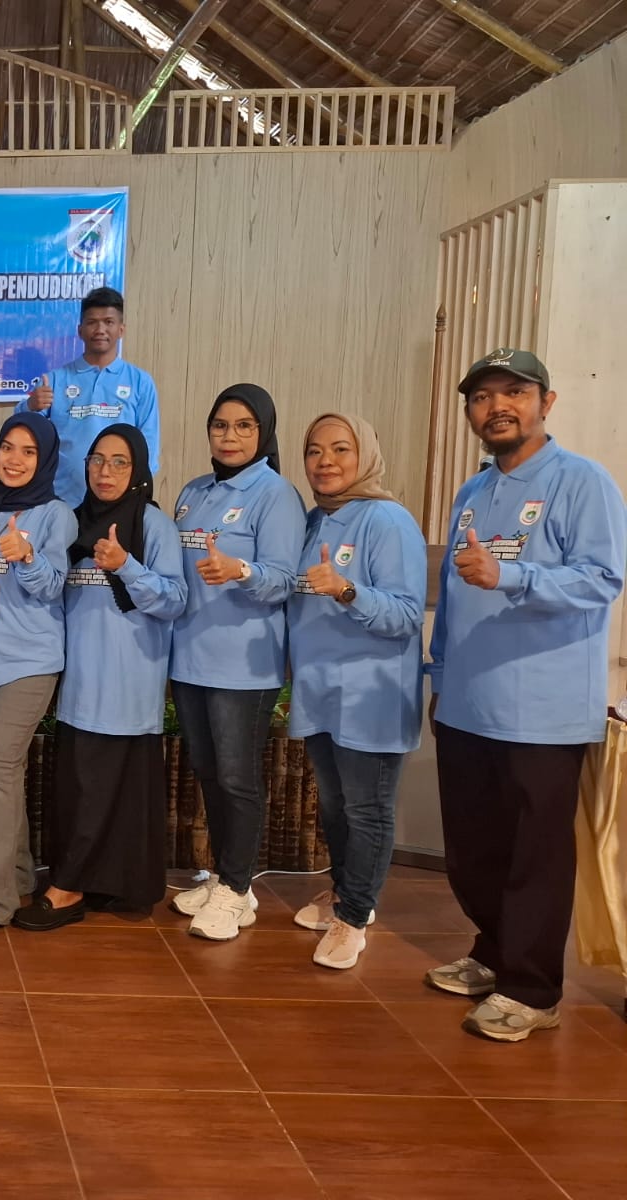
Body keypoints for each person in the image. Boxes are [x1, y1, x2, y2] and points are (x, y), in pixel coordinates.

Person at [426, 349, 625, 1041]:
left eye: (514, 392)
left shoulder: (582, 482)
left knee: (535, 858)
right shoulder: (472, 492)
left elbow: (602, 579)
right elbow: (453, 594)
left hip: (543, 713)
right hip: (468, 704)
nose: (498, 406)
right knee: (474, 851)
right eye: (483, 397)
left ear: (547, 402)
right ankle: (493, 953)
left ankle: (533, 989)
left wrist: (512, 577)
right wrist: (441, 676)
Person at [15, 425, 186, 931]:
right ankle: (83, 883)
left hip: (130, 685)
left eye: (119, 462)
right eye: (97, 461)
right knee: (82, 790)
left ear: (138, 470)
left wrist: (127, 565)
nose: (105, 472)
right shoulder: (73, 523)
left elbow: (175, 600)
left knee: (115, 791)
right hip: (80, 685)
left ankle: (73, 889)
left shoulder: (153, 525)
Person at [287, 413, 426, 969]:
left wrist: (348, 591)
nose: (326, 461)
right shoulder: (313, 522)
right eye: (314, 450)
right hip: (321, 689)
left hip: (371, 693)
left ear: (364, 454)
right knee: (335, 804)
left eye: (340, 449)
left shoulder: (387, 520)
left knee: (367, 808)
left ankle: (355, 916)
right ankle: (345, 891)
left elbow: (407, 614)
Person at [167, 385, 305, 941]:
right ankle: (227, 879)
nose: (230, 436)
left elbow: (285, 579)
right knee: (208, 772)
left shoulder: (276, 495)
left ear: (263, 433)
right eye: (220, 425)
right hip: (189, 658)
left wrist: (241, 571)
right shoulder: (193, 492)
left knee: (237, 777)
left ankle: (236, 886)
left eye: (244, 426)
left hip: (243, 665)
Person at [0, 414, 74, 933]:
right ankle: (18, 873)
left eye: (29, 451)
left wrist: (26, 556)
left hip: (31, 661)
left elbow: (53, 585)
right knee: (5, 772)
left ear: (44, 460)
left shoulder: (55, 514)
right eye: (7, 447)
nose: (15, 459)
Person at [18, 287, 160, 503]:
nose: (100, 329)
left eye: (109, 322)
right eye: (92, 322)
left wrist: (135, 495)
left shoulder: (140, 382)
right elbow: (22, 435)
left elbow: (148, 446)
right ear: (80, 330)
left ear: (121, 329)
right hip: (64, 500)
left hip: (120, 502)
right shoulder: (54, 380)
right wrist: (30, 406)